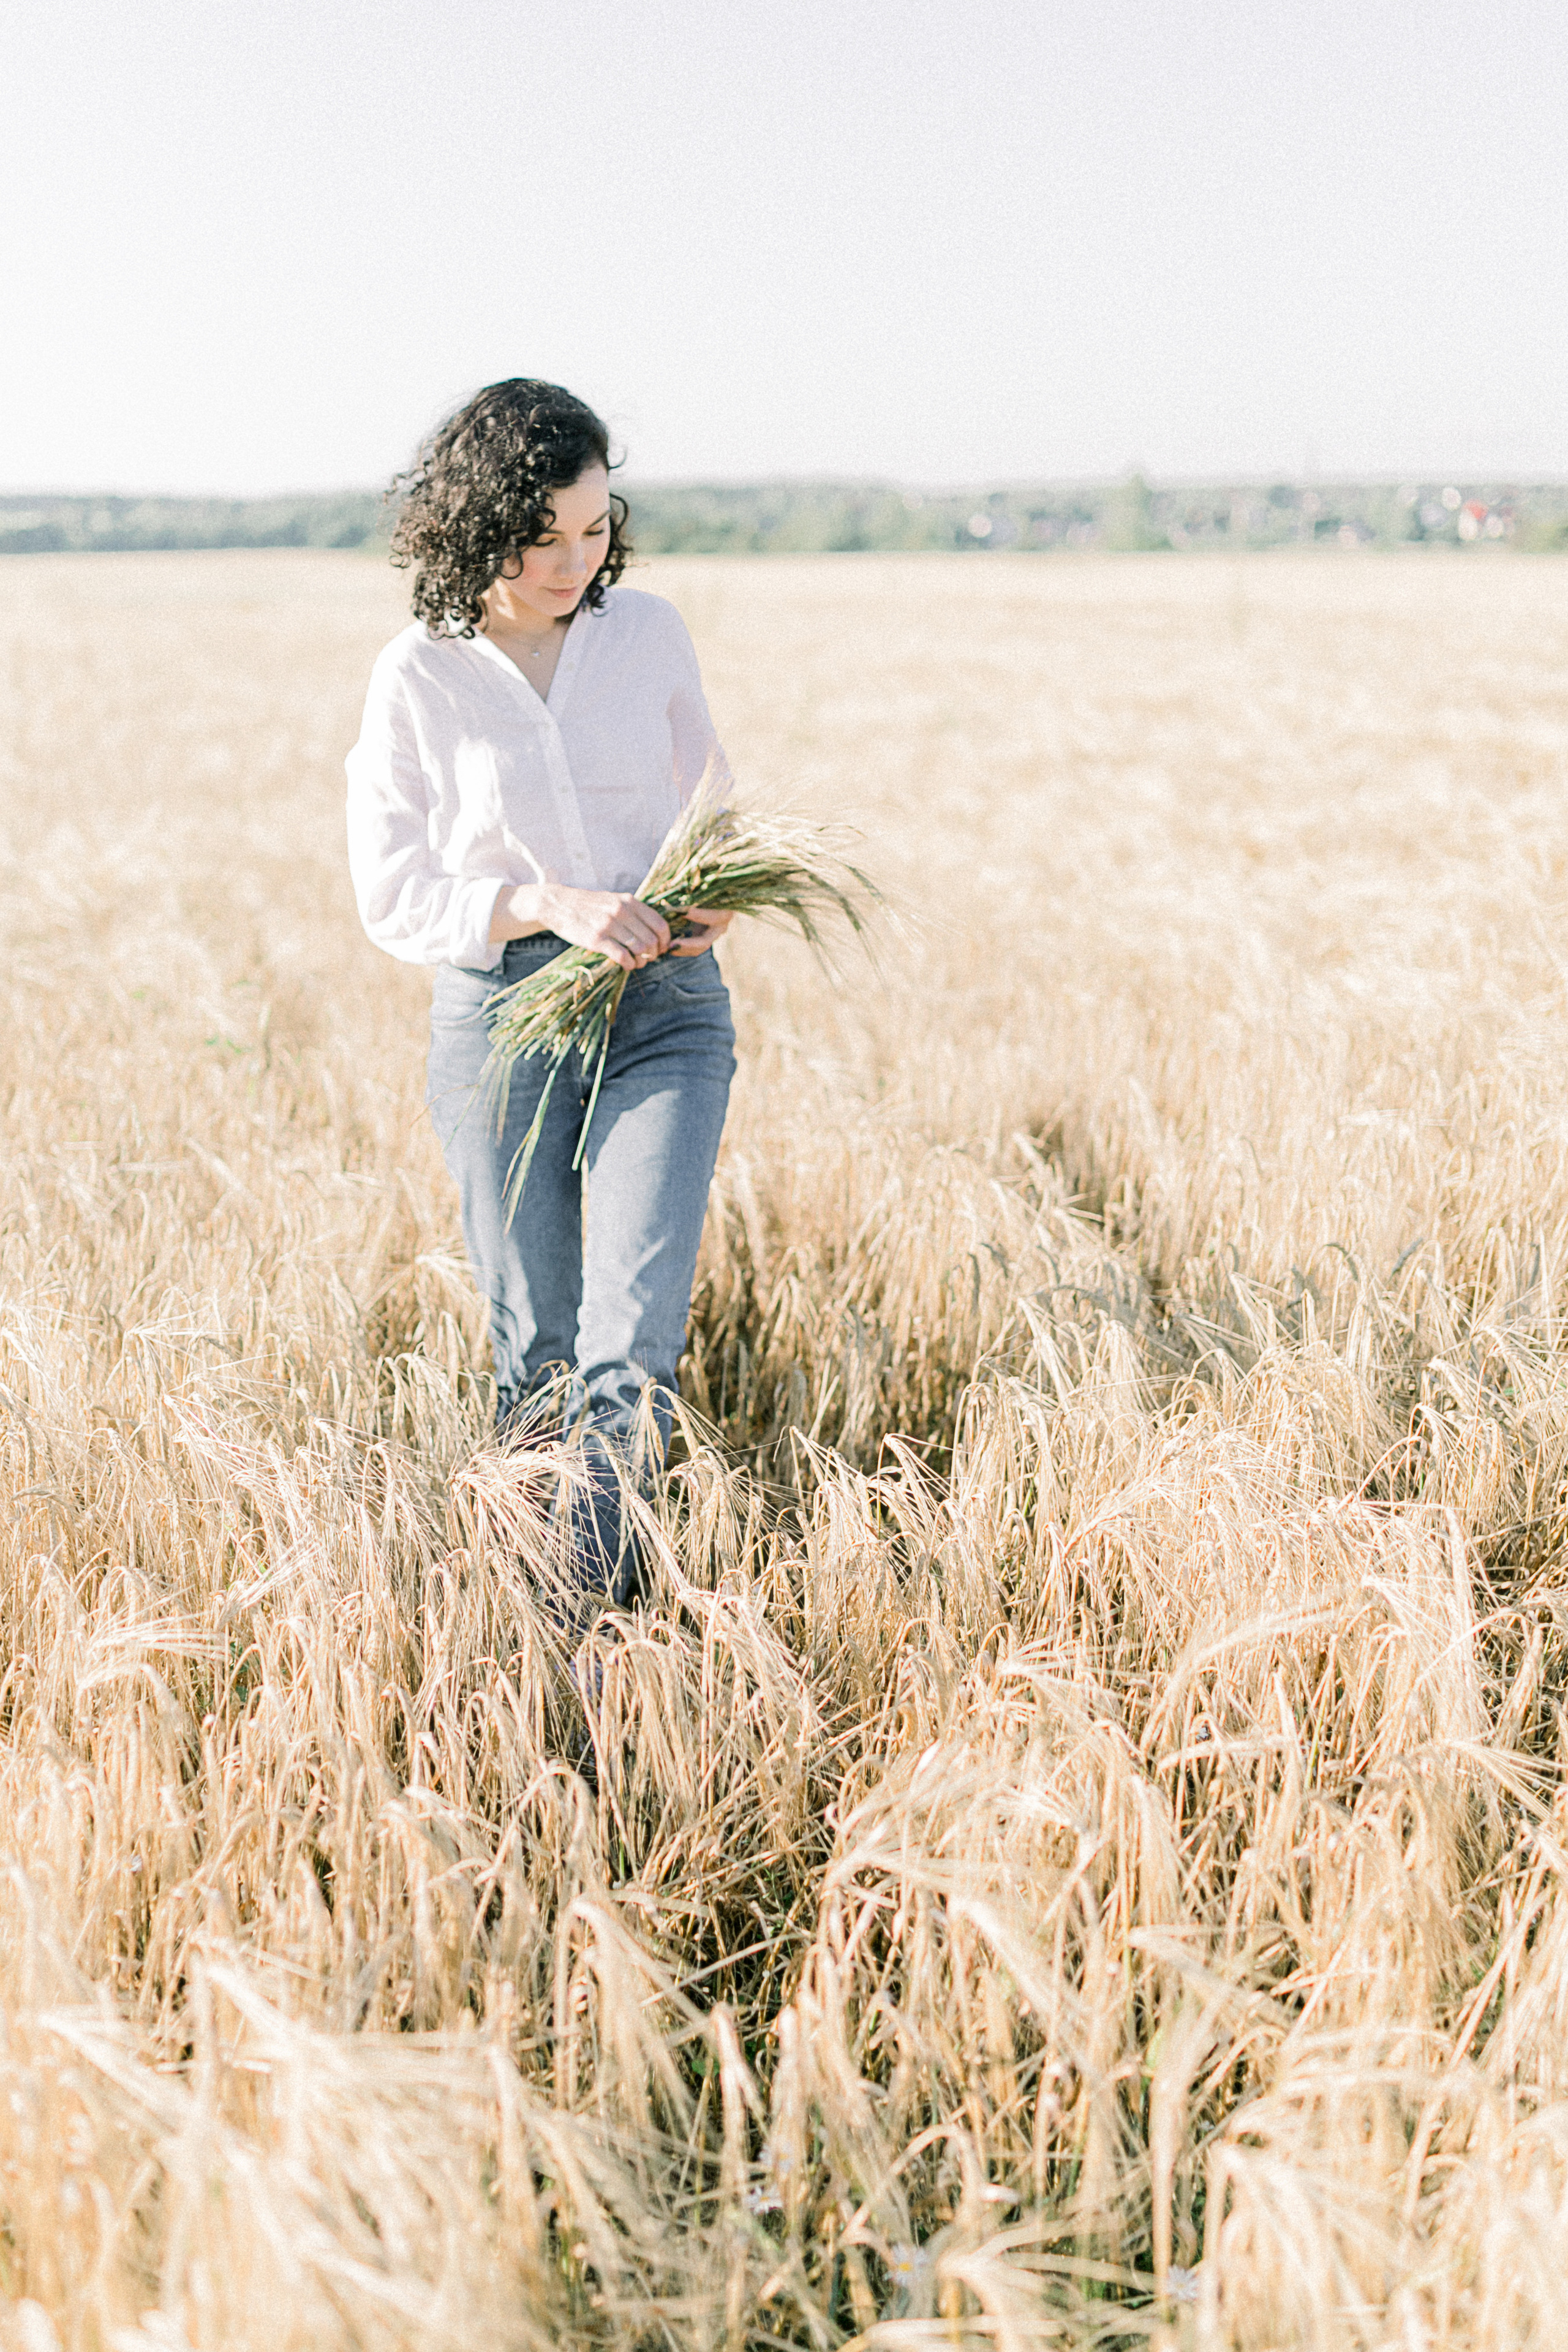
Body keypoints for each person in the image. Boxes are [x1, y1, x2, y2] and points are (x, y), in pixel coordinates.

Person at [345, 379, 735, 1617]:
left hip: (664, 1009)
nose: (575, 560)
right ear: (472, 528)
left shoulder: (648, 632)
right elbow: (392, 889)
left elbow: (707, 797)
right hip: (505, 1016)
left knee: (631, 1342)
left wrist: (714, 887)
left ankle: (593, 1627)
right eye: (542, 535)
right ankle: (519, 1610)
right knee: (540, 1349)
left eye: (594, 527)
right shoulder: (419, 676)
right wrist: (545, 903)